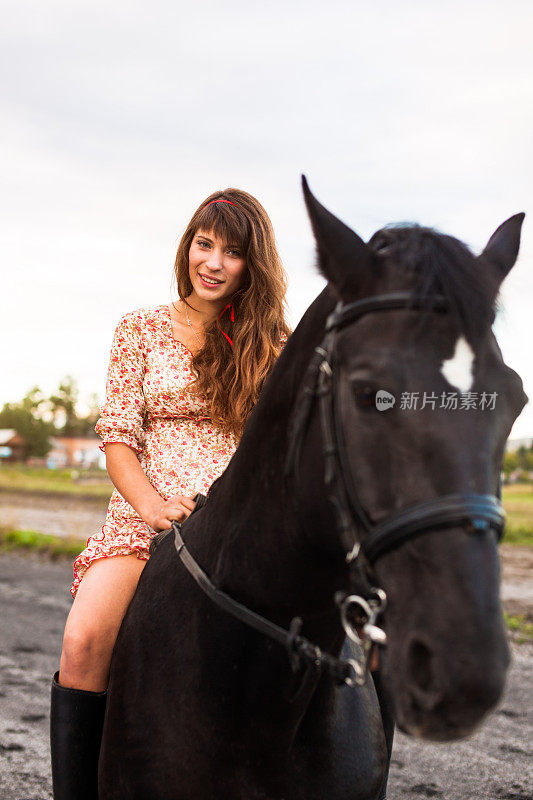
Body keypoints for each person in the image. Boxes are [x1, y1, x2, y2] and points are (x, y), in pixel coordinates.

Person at [49, 188, 291, 799]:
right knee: (81, 643)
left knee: (358, 642)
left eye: (232, 252)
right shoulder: (139, 329)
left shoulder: (273, 343)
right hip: (146, 516)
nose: (212, 262)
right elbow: (119, 438)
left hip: (240, 523)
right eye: (203, 244)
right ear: (187, 246)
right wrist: (152, 506)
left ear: (252, 265)